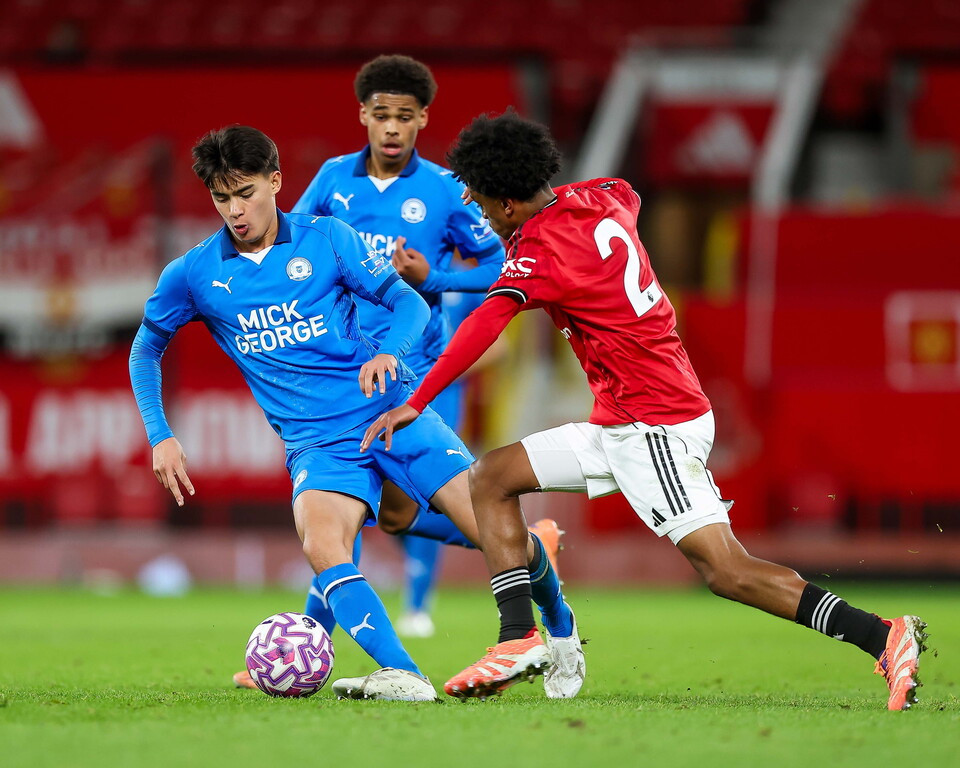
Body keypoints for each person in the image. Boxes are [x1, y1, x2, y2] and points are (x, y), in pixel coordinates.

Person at [361, 111, 928, 709]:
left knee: (725, 571)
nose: (475, 211)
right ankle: (518, 635)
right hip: (626, 414)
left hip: (653, 424)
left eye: (477, 201)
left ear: (506, 205)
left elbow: (485, 323)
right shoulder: (604, 197)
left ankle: (881, 636)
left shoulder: (541, 253)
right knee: (493, 476)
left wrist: (414, 402)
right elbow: (609, 208)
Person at [129, 124, 576, 702]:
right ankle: (404, 674)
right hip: (316, 443)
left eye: (245, 193)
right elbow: (146, 349)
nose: (235, 211)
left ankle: (562, 630)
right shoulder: (193, 273)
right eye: (222, 198)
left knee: (487, 524)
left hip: (390, 414)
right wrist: (161, 435)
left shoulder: (328, 237)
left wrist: (392, 350)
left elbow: (407, 303)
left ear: (276, 181)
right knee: (323, 544)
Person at [290, 54, 509, 639]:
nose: (391, 128)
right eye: (381, 115)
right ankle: (530, 544)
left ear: (423, 120)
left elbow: (503, 265)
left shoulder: (444, 189)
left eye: (404, 117)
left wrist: (432, 280)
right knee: (381, 512)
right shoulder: (332, 180)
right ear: (363, 115)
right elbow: (291, 249)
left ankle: (312, 645)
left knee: (358, 503)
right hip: (340, 365)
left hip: (409, 367)